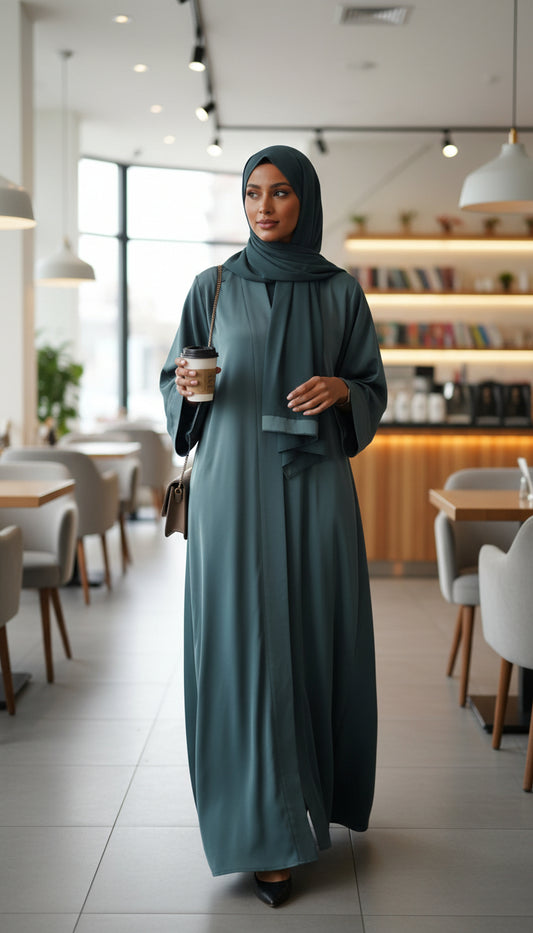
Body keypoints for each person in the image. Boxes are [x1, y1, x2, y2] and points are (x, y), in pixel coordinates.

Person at [160, 145, 387, 907]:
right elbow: (178, 381)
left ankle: (307, 801)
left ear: (305, 200)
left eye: (281, 192)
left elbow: (370, 385)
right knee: (243, 650)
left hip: (315, 486)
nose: (264, 206)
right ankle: (261, 832)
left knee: (313, 639)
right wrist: (189, 385)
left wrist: (341, 389)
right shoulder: (213, 287)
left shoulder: (339, 292)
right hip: (231, 491)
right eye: (254, 192)